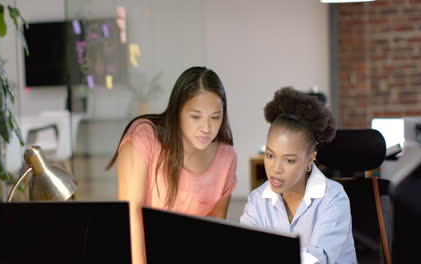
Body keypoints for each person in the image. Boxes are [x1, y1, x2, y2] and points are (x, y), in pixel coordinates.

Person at [106, 66, 237, 264]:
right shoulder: (144, 137)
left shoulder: (226, 157)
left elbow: (214, 233)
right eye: (196, 117)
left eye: (215, 117)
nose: (207, 128)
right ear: (177, 112)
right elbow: (131, 217)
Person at [240, 87, 356, 264]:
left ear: (310, 159)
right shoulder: (257, 201)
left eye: (289, 160)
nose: (275, 169)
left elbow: (316, 259)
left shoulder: (333, 198)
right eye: (270, 155)